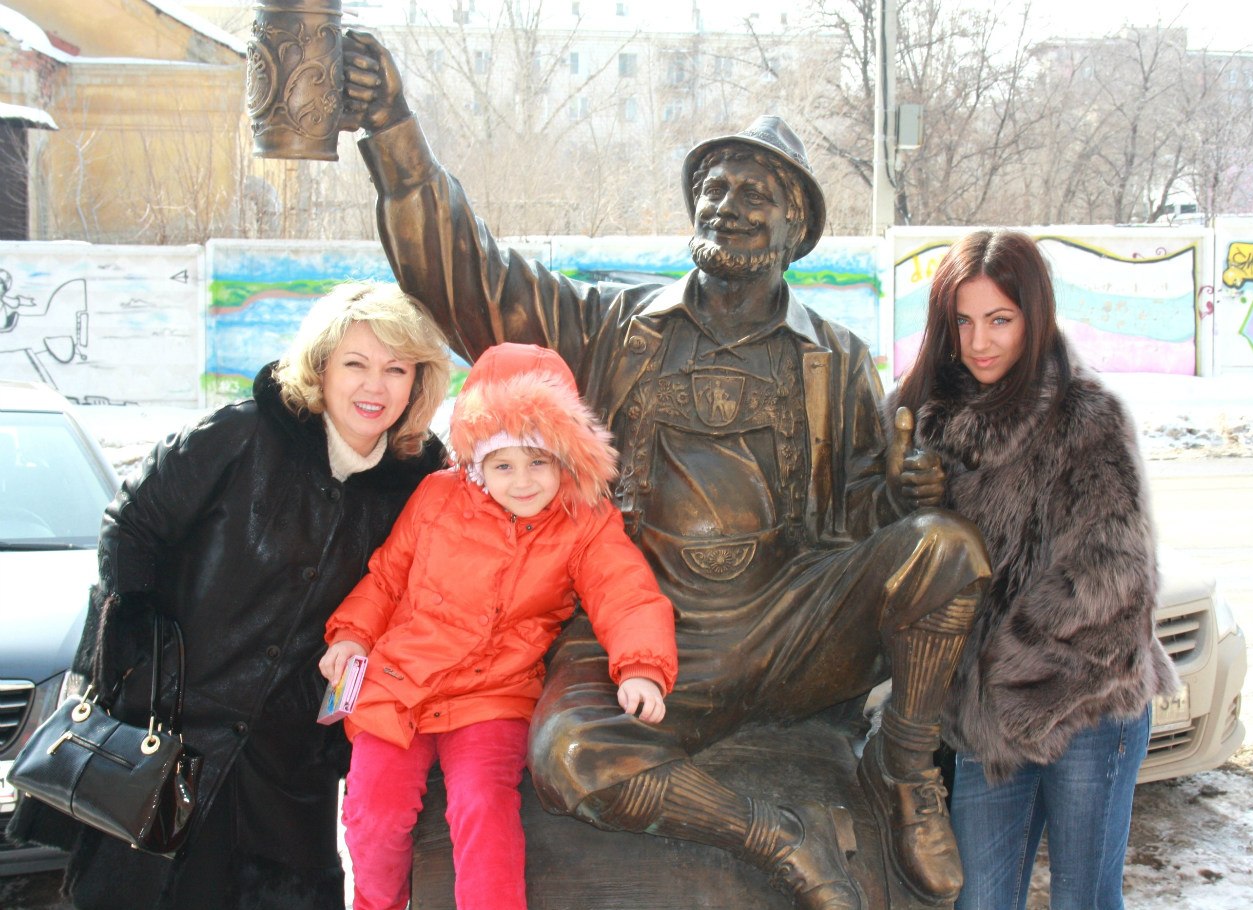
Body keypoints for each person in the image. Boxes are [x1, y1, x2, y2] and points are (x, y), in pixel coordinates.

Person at [340, 33, 991, 910]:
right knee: (570, 757)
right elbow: (469, 276)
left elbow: (864, 519)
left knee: (946, 549)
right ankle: (772, 835)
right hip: (640, 627)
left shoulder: (835, 359)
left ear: (796, 229)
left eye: (756, 193)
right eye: (714, 187)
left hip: (786, 621)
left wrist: (905, 497)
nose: (728, 205)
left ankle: (904, 769)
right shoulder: (611, 328)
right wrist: (392, 131)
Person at [56, 283, 452, 909]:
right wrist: (141, 654)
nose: (374, 386)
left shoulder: (421, 483)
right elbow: (131, 526)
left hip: (291, 760)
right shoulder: (241, 434)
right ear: (322, 367)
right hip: (172, 735)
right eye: (355, 363)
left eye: (396, 369)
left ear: (418, 382)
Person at [319, 341, 678, 910]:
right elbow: (387, 578)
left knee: (482, 807)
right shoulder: (438, 496)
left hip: (494, 694)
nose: (523, 481)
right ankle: (376, 902)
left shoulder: (582, 520)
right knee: (373, 812)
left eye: (539, 461)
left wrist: (641, 667)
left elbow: (625, 592)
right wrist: (351, 634)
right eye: (503, 464)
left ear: (565, 457)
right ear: (477, 466)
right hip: (400, 684)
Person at [890, 230, 1179, 910]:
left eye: (1000, 319)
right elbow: (897, 563)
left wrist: (1008, 681)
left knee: (1083, 899)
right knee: (979, 901)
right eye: (963, 321)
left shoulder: (1087, 417)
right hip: (984, 720)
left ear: (1035, 316)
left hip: (1085, 702)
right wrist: (903, 502)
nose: (979, 342)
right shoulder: (923, 422)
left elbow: (1114, 580)